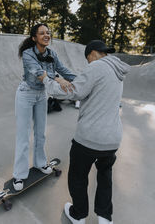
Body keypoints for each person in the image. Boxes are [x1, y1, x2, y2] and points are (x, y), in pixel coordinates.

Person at [38, 40, 130, 224]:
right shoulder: (117, 71)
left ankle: (78, 215)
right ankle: (105, 217)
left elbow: (73, 93)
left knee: (77, 177)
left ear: (93, 53)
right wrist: (63, 79)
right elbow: (93, 90)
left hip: (90, 137)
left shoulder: (96, 66)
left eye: (88, 59)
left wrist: (47, 81)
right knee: (105, 177)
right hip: (112, 139)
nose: (88, 63)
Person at [13, 23, 76, 191]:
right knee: (23, 136)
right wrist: (57, 78)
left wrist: (83, 81)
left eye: (48, 33)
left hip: (41, 95)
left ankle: (40, 163)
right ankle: (19, 175)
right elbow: (38, 72)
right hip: (26, 94)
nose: (46, 35)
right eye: (42, 33)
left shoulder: (52, 54)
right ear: (34, 38)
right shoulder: (27, 54)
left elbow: (65, 71)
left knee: (40, 133)